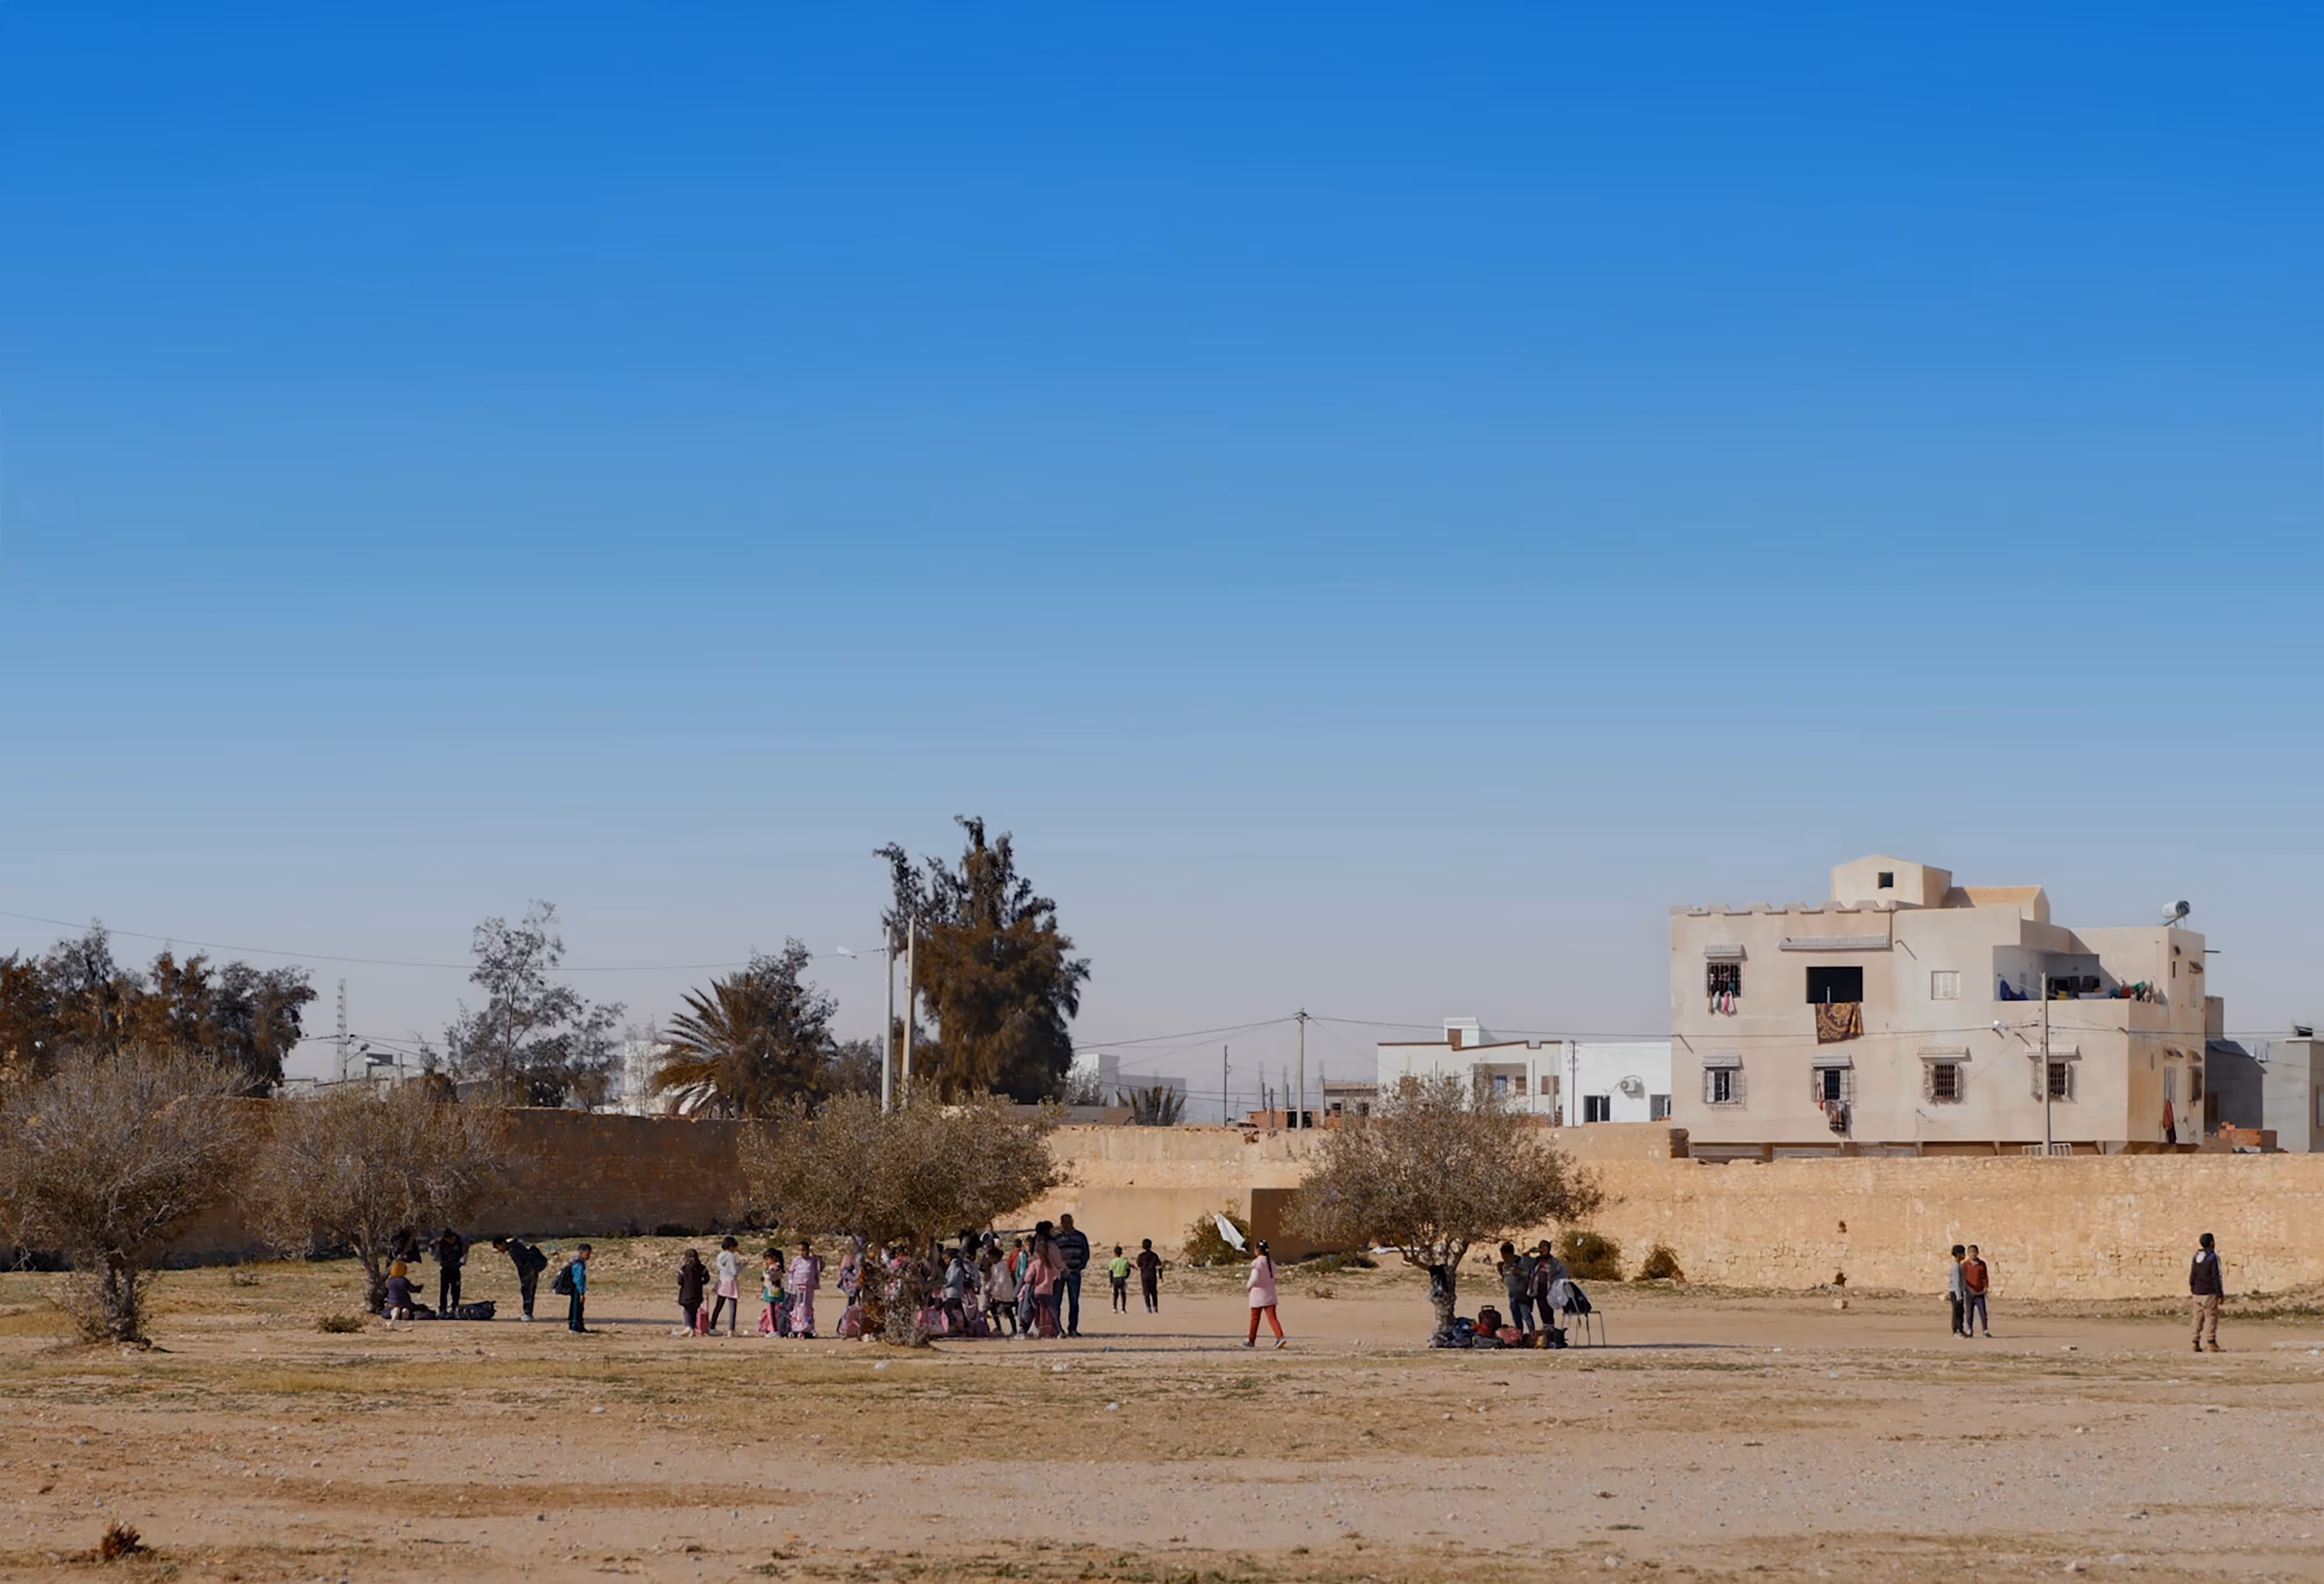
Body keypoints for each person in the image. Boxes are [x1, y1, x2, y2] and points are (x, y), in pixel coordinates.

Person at [491, 1235, 548, 1321]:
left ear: (502, 1243)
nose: (499, 1250)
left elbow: (522, 1265)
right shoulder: (516, 1245)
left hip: (528, 1272)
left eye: (498, 1247)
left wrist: (524, 1277)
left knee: (527, 1292)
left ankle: (527, 1314)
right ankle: (528, 1313)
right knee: (530, 1292)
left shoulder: (513, 1250)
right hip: (532, 1270)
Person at [1055, 1213, 1091, 1337]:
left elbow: (1086, 1254)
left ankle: (1073, 1328)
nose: (1066, 1224)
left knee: (1074, 1301)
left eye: (1068, 1222)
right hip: (1059, 1274)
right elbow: (1053, 1253)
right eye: (1064, 1222)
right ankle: (1057, 1328)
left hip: (1074, 1272)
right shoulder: (1057, 1237)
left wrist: (1080, 1266)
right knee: (1056, 1301)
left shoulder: (1080, 1237)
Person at [1246, 1238, 1285, 1349]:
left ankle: (1251, 1340)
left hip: (1257, 1296)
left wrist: (1248, 1286)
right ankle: (1280, 1336)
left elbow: (1254, 1278)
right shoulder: (1270, 1263)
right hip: (1270, 1294)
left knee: (1255, 1319)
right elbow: (1276, 1272)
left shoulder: (1257, 1263)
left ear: (1258, 1250)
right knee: (1273, 1318)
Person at [2190, 1231, 2224, 1352]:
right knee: (2211, 1317)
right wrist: (2220, 1294)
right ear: (2211, 1243)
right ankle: (2211, 1342)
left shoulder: (2196, 1257)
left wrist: (2193, 1289)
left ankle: (2195, 1342)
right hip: (2209, 1292)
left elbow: (2192, 1275)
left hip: (2197, 1293)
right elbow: (2216, 1277)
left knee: (2197, 1318)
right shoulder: (2213, 1257)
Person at [1028, 1222, 1063, 1338]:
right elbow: (1058, 1262)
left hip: (1036, 1281)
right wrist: (1065, 1269)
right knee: (1053, 1307)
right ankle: (1055, 1329)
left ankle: (1038, 1328)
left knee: (1037, 1308)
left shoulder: (1035, 1244)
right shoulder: (1051, 1245)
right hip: (1052, 1279)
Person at [1497, 1241, 1537, 1335]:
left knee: (1526, 1315)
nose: (1503, 1257)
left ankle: (1532, 1334)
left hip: (1523, 1293)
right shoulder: (1505, 1265)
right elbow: (1504, 1276)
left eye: (1504, 1255)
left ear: (1510, 1254)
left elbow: (1530, 1275)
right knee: (1516, 1316)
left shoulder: (1521, 1262)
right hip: (1512, 1293)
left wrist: (1520, 1273)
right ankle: (1519, 1335)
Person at [984, 1238, 1020, 1335]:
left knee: (1008, 1311)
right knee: (992, 1308)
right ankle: (999, 1328)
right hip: (998, 1292)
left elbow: (1001, 1281)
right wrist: (989, 1287)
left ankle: (1014, 1329)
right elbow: (994, 1279)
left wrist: (995, 1291)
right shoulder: (994, 1266)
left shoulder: (1002, 1266)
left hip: (1005, 1292)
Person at [788, 1240, 823, 1338]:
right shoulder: (796, 1260)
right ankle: (796, 1326)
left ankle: (808, 1327)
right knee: (798, 1305)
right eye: (799, 1251)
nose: (801, 1253)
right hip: (798, 1286)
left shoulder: (813, 1261)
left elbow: (819, 1269)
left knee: (807, 1306)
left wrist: (818, 1259)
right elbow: (791, 1272)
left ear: (808, 1250)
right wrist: (791, 1284)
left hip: (809, 1287)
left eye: (803, 1250)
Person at [430, 1227, 468, 1317]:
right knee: (444, 1290)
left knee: (456, 1290)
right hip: (445, 1269)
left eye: (451, 1239)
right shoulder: (441, 1244)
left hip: (456, 1269)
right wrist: (432, 1247)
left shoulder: (460, 1242)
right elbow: (434, 1256)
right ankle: (443, 1308)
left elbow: (465, 1254)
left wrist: (461, 1263)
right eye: (448, 1239)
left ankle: (455, 1307)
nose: (450, 1241)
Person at [711, 1236, 743, 1335]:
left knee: (719, 1305)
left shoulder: (720, 1255)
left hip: (722, 1281)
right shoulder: (730, 1256)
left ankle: (712, 1326)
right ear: (731, 1247)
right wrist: (743, 1266)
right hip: (730, 1281)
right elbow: (734, 1271)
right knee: (733, 1305)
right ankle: (731, 1329)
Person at [558, 1244, 592, 1333]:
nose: (589, 1256)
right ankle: (575, 1326)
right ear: (581, 1253)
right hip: (577, 1289)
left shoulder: (575, 1262)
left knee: (576, 1306)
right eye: (587, 1254)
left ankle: (577, 1325)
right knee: (577, 1307)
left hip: (575, 1288)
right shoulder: (579, 1264)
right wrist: (581, 1293)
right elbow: (579, 1279)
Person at [676, 1249, 709, 1335]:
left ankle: (688, 1327)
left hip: (686, 1294)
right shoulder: (702, 1268)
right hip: (697, 1293)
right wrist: (700, 1282)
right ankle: (693, 1329)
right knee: (694, 1311)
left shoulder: (683, 1268)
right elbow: (707, 1279)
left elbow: (679, 1281)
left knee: (687, 1311)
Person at [1963, 1244, 1992, 1337]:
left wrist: (1986, 1287)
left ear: (1978, 1253)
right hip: (1969, 1292)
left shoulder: (1982, 1264)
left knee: (1983, 1312)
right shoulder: (1965, 1265)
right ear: (1968, 1254)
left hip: (1979, 1292)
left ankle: (1985, 1330)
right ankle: (1970, 1330)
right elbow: (1963, 1278)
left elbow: (1985, 1277)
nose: (1973, 1254)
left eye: (1974, 1252)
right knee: (1969, 1312)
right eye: (1971, 1252)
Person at [1946, 1244, 1969, 1338]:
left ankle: (1961, 1329)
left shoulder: (1959, 1265)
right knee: (1957, 1312)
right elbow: (1956, 1282)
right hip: (1956, 1292)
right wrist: (1959, 1296)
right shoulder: (1956, 1267)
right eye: (1963, 1253)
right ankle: (1956, 1330)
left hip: (1959, 1291)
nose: (1964, 1256)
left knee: (1961, 1311)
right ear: (1959, 1254)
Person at [383, 1260, 417, 1324]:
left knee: (384, 1313)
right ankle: (405, 1311)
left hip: (391, 1304)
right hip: (405, 1303)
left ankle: (393, 1312)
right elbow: (412, 1289)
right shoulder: (405, 1281)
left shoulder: (389, 1281)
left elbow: (385, 1292)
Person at [1135, 1238, 1163, 1314]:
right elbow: (1160, 1267)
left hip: (1144, 1275)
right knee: (1154, 1292)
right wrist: (1161, 1277)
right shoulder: (1154, 1255)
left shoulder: (1141, 1256)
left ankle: (1148, 1308)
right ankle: (1155, 1307)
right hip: (1152, 1275)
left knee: (1146, 1292)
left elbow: (1138, 1266)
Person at [1108, 1246, 1132, 1314]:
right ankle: (1123, 1309)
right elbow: (1128, 1270)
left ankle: (1115, 1308)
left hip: (1115, 1279)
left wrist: (1111, 1281)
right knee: (1123, 1294)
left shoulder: (1112, 1262)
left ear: (1115, 1253)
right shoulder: (1125, 1261)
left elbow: (1111, 1272)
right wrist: (1126, 1277)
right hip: (1122, 1279)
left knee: (1115, 1294)